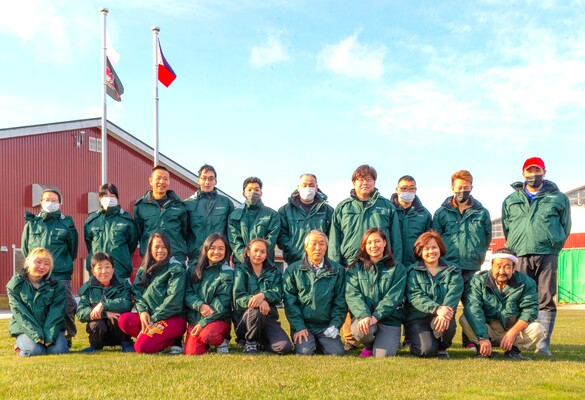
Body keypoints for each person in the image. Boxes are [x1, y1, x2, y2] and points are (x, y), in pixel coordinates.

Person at [502, 157, 571, 356]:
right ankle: (518, 344)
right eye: (529, 171)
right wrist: (515, 246)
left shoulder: (558, 198)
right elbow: (507, 227)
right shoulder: (510, 200)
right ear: (523, 173)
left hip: (547, 254)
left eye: (537, 170)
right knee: (518, 298)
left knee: (546, 299)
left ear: (544, 172)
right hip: (520, 254)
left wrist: (553, 244)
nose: (533, 175)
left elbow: (565, 226)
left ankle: (542, 345)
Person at [328, 164, 402, 350]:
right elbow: (335, 240)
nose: (365, 183)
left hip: (381, 263)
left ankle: (381, 336)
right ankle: (351, 340)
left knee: (379, 297)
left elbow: (395, 238)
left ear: (374, 182)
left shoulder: (387, 207)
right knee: (349, 301)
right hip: (349, 264)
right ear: (353, 183)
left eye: (369, 179)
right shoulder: (343, 207)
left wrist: (395, 263)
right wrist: (337, 266)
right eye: (360, 179)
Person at [432, 170, 491, 348]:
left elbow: (486, 238)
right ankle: (441, 341)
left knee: (472, 304)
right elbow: (435, 238)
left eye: (466, 187)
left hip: (471, 266)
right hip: (448, 268)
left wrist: (477, 254)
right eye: (459, 187)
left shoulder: (482, 212)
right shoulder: (441, 213)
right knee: (446, 303)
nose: (462, 191)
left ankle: (470, 340)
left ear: (471, 187)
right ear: (452, 188)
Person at [459, 248, 544, 360]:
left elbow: (530, 310)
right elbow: (473, 308)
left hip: (512, 329)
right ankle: (483, 350)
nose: (502, 271)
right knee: (465, 319)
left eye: (507, 267)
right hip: (488, 329)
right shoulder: (478, 281)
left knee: (538, 329)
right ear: (492, 266)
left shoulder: (527, 283)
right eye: (498, 266)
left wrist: (512, 333)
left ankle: (513, 352)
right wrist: (483, 337)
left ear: (514, 267)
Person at [21, 188, 78, 345]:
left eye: (54, 200)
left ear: (60, 204)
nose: (50, 203)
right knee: (40, 307)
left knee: (67, 306)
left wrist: (60, 264)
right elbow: (26, 250)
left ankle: (67, 337)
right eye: (47, 200)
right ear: (41, 202)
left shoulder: (67, 224)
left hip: (60, 274)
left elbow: (72, 250)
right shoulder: (32, 224)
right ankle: (40, 338)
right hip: (37, 275)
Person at [118, 232, 187, 354]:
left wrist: (153, 319)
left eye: (164, 247)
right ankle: (159, 339)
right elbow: (137, 291)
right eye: (156, 247)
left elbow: (174, 301)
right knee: (124, 320)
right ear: (150, 248)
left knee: (141, 347)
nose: (160, 250)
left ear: (169, 248)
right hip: (150, 316)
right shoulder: (145, 267)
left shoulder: (176, 269)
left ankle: (173, 339)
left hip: (172, 318)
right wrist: (143, 312)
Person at [345, 228, 407, 357]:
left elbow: (393, 297)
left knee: (382, 355)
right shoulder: (355, 268)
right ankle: (368, 346)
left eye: (377, 241)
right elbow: (352, 295)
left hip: (389, 320)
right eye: (369, 242)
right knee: (359, 332)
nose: (373, 245)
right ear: (364, 246)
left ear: (384, 243)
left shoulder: (398, 269)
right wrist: (364, 315)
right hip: (366, 318)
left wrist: (377, 316)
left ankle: (384, 341)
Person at [283, 230, 346, 355]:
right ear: (305, 247)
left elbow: (340, 301)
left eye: (322, 244)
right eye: (314, 243)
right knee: (305, 352)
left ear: (326, 247)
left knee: (336, 353)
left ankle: (321, 342)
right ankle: (311, 341)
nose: (318, 248)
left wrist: (334, 325)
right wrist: (299, 327)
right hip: (304, 326)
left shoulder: (338, 270)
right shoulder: (293, 270)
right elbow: (290, 303)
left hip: (326, 326)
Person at [404, 231, 463, 358]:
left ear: (440, 248)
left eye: (434, 247)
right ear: (420, 251)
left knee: (447, 322)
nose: (431, 251)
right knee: (426, 350)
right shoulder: (412, 271)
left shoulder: (453, 270)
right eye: (426, 248)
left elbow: (454, 293)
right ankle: (415, 342)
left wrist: (444, 312)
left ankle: (442, 347)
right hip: (418, 318)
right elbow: (414, 296)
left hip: (442, 315)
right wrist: (436, 308)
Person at [233, 238, 293, 355]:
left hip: (268, 318)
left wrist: (263, 295)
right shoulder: (240, 270)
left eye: (262, 251)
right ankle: (250, 343)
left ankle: (259, 342)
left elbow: (278, 293)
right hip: (245, 319)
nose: (258, 254)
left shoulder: (274, 271)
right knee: (256, 311)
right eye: (255, 251)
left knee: (285, 347)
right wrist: (259, 301)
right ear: (248, 252)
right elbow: (238, 297)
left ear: (266, 254)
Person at [6, 248, 68, 356]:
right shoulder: (16, 284)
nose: (42, 267)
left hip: (49, 327)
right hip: (25, 328)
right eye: (38, 262)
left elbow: (56, 312)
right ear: (28, 262)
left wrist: (50, 335)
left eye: (46, 264)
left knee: (57, 351)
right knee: (35, 351)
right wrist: (35, 335)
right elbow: (20, 312)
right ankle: (19, 347)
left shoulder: (57, 286)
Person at [184, 233, 233, 355]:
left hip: (218, 319)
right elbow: (188, 292)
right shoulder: (193, 269)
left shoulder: (228, 273)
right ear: (205, 249)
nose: (216, 252)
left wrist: (203, 323)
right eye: (212, 248)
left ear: (226, 251)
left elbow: (222, 303)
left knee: (208, 335)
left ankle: (222, 341)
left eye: (221, 248)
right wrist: (200, 305)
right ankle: (205, 341)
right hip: (196, 318)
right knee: (192, 352)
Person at [76, 252, 134, 353]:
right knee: (95, 323)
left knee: (119, 317)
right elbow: (81, 313)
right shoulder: (88, 288)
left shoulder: (123, 285)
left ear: (113, 269)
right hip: (100, 330)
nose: (104, 271)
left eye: (107, 267)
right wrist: (105, 314)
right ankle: (95, 346)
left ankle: (126, 344)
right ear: (93, 271)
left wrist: (104, 304)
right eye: (99, 268)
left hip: (118, 330)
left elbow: (127, 303)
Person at [134, 165, 189, 264]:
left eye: (165, 179)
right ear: (150, 181)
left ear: (169, 182)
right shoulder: (140, 206)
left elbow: (185, 232)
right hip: (151, 259)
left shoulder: (179, 205)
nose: (162, 182)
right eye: (158, 178)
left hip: (176, 258)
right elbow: (138, 233)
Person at [84, 183, 138, 281]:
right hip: (97, 273)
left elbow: (132, 244)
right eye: (105, 196)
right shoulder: (92, 220)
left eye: (112, 196)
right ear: (100, 198)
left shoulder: (126, 220)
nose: (109, 199)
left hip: (120, 271)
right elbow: (89, 244)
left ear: (117, 198)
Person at [277, 173, 333, 265]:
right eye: (304, 185)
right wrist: (291, 249)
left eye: (311, 185)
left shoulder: (328, 210)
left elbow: (332, 236)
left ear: (316, 187)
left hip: (320, 262)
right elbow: (281, 234)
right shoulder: (285, 211)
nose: (308, 188)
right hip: (294, 262)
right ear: (298, 187)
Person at [184, 164, 234, 262]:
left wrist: (227, 252)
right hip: (196, 258)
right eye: (204, 178)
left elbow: (232, 233)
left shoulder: (226, 203)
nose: (207, 182)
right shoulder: (188, 204)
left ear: (215, 181)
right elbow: (183, 232)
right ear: (198, 180)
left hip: (220, 257)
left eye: (211, 179)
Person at [228, 177, 280, 264]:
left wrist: (259, 255)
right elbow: (235, 240)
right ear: (244, 193)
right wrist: (245, 257)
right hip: (242, 264)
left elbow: (271, 239)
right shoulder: (234, 215)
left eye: (256, 190)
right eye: (249, 190)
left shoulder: (272, 215)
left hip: (265, 265)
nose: (253, 192)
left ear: (261, 193)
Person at [390, 175, 432, 267]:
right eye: (404, 188)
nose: (408, 191)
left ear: (415, 190)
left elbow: (429, 241)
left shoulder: (424, 214)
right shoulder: (388, 211)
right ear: (397, 189)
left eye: (411, 188)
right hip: (391, 264)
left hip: (415, 265)